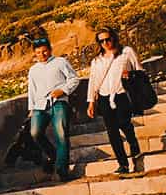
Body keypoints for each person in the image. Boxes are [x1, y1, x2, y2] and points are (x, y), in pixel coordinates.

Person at [87, 27, 143, 175]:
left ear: (114, 38)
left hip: (122, 95)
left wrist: (130, 74)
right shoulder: (96, 60)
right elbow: (93, 81)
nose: (105, 43)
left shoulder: (126, 52)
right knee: (112, 132)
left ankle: (133, 142)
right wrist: (91, 102)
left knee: (124, 123)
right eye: (101, 41)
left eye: (108, 39)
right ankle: (122, 164)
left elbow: (140, 70)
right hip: (104, 98)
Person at [27, 38, 80, 180]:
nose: (42, 54)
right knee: (35, 133)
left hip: (59, 102)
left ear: (50, 50)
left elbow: (74, 79)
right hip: (39, 106)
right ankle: (53, 155)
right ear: (34, 53)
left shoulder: (60, 62)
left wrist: (62, 90)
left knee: (61, 135)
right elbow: (31, 90)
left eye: (44, 51)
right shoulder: (33, 70)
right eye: (38, 52)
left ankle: (62, 169)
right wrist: (31, 108)